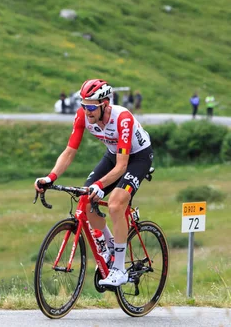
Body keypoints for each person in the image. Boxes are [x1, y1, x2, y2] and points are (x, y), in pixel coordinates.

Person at [34, 79, 153, 287]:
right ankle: (108, 249)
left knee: (116, 204)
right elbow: (70, 151)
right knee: (87, 199)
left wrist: (100, 185)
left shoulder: (122, 119)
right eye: (83, 105)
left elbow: (122, 166)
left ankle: (119, 269)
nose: (86, 111)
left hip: (137, 158)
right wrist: (50, 177)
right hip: (112, 155)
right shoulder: (83, 115)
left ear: (105, 104)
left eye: (91, 106)